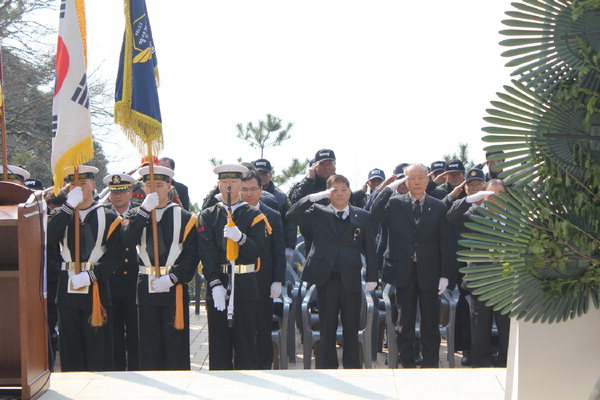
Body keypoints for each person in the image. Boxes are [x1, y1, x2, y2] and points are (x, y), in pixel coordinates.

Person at [287, 174, 377, 369]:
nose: (339, 193)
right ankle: (326, 367)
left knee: (351, 326)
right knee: (327, 326)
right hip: (325, 279)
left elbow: (370, 248)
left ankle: (352, 366)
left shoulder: (361, 215)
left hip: (350, 278)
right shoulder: (317, 212)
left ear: (350, 191)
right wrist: (312, 198)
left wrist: (372, 277)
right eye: (334, 190)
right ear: (327, 193)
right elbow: (291, 215)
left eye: (343, 189)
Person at [370, 163, 450, 368]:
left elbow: (444, 241)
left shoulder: (439, 206)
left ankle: (430, 363)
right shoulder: (395, 204)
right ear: (405, 180)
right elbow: (374, 214)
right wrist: (388, 189)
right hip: (402, 270)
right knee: (404, 322)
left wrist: (445, 274)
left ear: (428, 180)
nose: (416, 181)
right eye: (412, 177)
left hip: (429, 271)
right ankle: (406, 362)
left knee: (430, 322)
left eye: (421, 177)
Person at [121, 165, 199, 370]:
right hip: (146, 284)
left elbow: (191, 256)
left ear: (169, 187)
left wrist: (173, 278)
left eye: (159, 184)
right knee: (148, 345)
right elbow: (127, 241)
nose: (153, 189)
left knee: (175, 345)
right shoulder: (134, 214)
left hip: (174, 286)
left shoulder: (185, 217)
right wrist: (145, 211)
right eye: (148, 185)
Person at [47, 165, 123, 371]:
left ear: (93, 186)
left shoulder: (108, 217)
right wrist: (67, 208)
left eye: (82, 183)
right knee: (71, 347)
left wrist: (92, 275)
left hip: (96, 286)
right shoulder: (61, 215)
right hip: (68, 285)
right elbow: (49, 239)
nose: (78, 188)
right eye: (73, 184)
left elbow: (116, 255)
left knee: (99, 347)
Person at [197, 164, 267, 370]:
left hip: (245, 283)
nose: (229, 186)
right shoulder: (208, 215)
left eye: (234, 182)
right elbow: (206, 253)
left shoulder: (253, 214)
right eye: (224, 182)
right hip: (219, 283)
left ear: (241, 184)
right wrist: (215, 284)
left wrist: (241, 239)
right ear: (218, 185)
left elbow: (256, 251)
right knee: (219, 343)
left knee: (246, 343)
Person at [240, 170, 285, 369]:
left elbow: (278, 251)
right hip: (240, 280)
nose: (248, 194)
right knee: (242, 329)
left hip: (263, 280)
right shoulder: (233, 213)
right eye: (244, 189)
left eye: (253, 189)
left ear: (261, 189)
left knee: (263, 327)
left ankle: (264, 366)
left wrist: (278, 280)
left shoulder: (272, 215)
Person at [102, 173, 139, 371]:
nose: (118, 196)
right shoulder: (103, 214)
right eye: (114, 192)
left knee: (135, 332)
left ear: (130, 193)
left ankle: (135, 370)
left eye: (123, 191)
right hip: (111, 281)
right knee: (114, 333)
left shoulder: (140, 213)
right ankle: (117, 369)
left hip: (134, 281)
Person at [289, 149, 337, 251]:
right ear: (315, 166)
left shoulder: (340, 183)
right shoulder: (308, 182)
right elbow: (295, 203)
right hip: (313, 242)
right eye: (323, 164)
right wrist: (309, 179)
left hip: (338, 241)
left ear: (335, 165)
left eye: (330, 164)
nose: (327, 167)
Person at [252, 158, 298, 260]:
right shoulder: (245, 194)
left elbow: (290, 222)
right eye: (259, 173)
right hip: (251, 244)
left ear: (270, 175)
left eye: (265, 173)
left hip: (276, 246)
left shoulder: (281, 197)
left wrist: (289, 247)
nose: (262, 177)